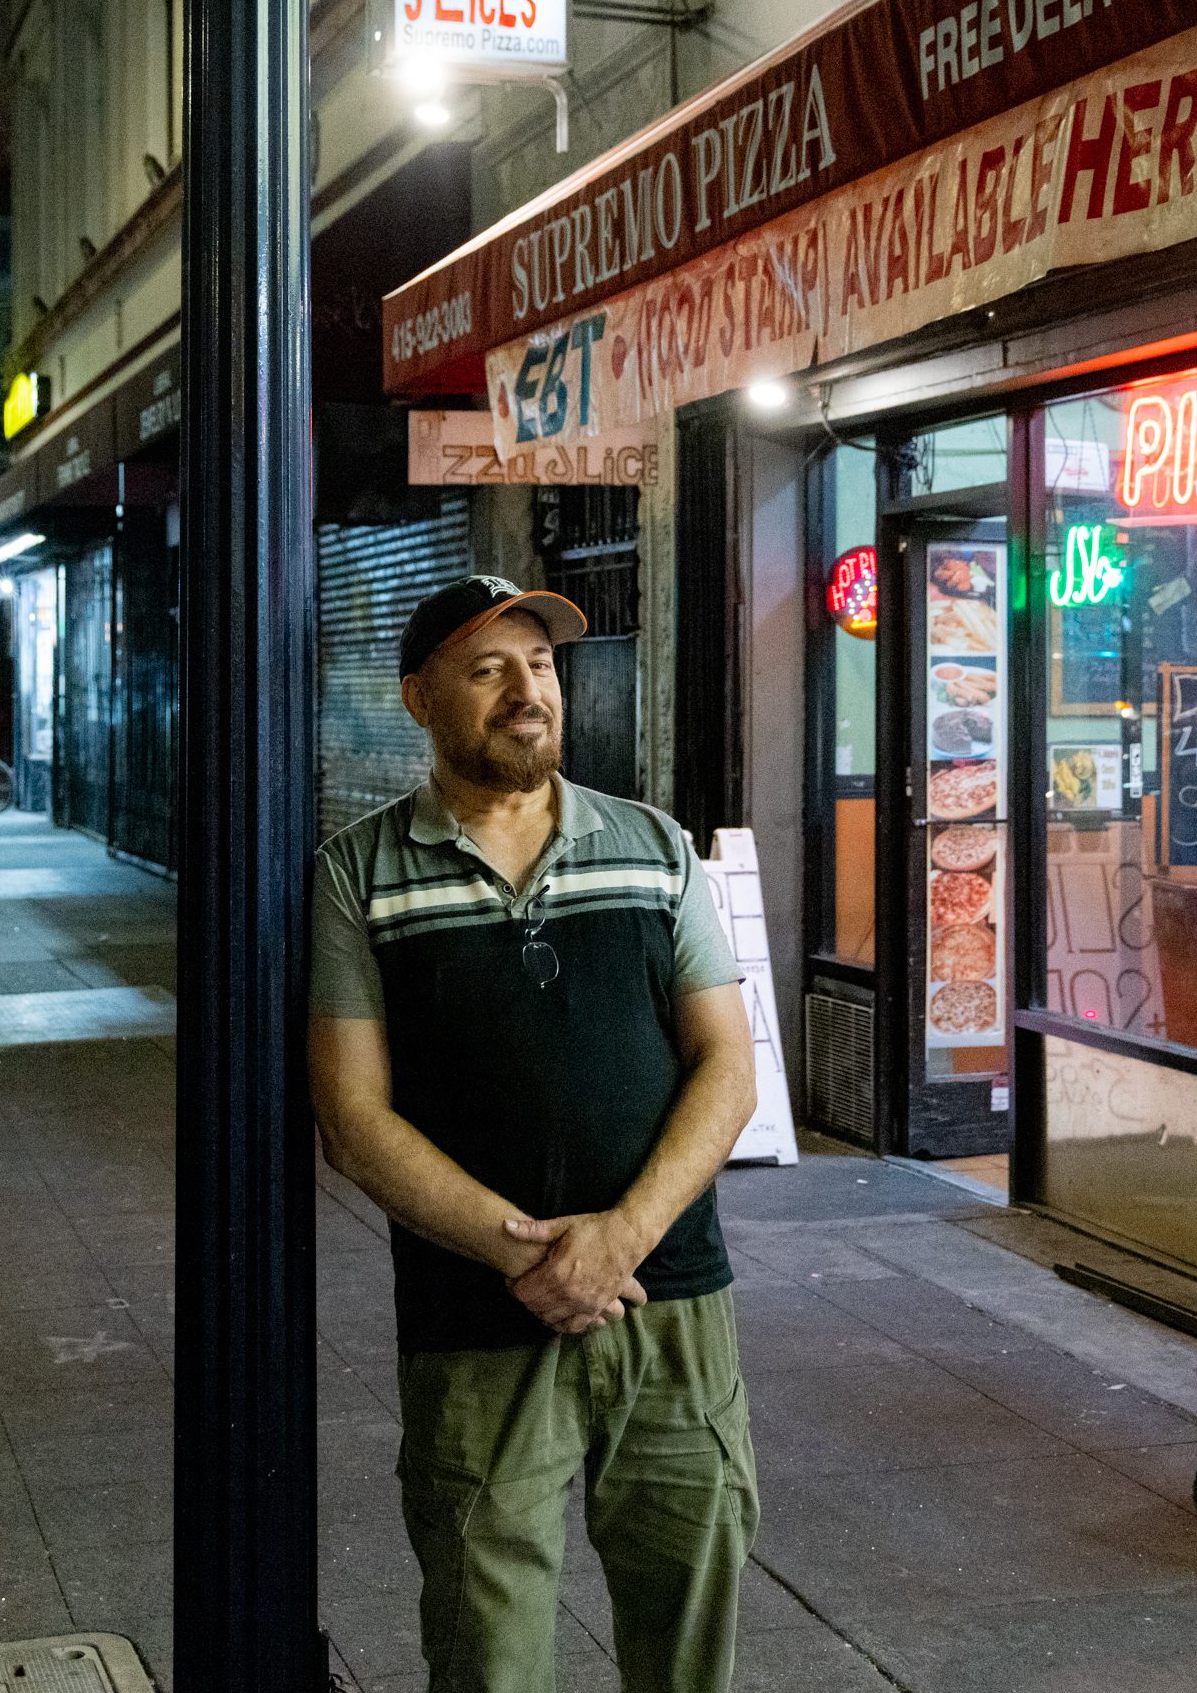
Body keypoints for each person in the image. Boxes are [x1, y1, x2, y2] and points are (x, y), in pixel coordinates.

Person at [309, 575, 761, 1693]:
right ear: (418, 698)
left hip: (669, 1304)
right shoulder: (355, 876)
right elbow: (353, 1120)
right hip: (476, 1321)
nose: (528, 693)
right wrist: (529, 1256)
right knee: (486, 1643)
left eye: (543, 666)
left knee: (688, 1619)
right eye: (489, 669)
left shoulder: (654, 850)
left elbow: (728, 1066)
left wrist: (620, 1240)